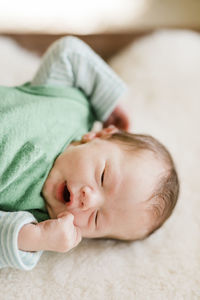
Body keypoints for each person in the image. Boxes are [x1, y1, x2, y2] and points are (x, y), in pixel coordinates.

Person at [0, 36, 179, 271]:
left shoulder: (33, 219)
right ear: (98, 136)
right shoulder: (72, 108)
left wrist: (34, 238)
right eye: (103, 176)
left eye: (96, 219)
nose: (89, 200)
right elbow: (67, 53)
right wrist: (107, 101)